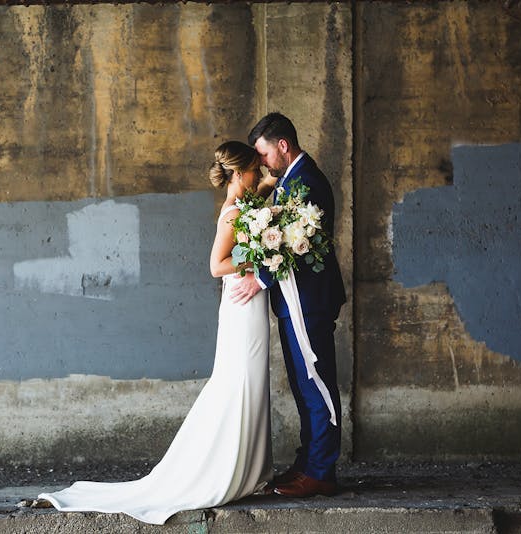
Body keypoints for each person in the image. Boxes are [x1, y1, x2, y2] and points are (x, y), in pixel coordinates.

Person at [37, 141, 273, 525]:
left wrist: (268, 194)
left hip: (249, 300)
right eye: (253, 171)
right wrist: (264, 256)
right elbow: (216, 265)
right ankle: (221, 469)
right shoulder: (232, 214)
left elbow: (259, 206)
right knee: (239, 380)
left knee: (252, 379)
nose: (258, 174)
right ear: (238, 173)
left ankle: (249, 466)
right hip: (242, 301)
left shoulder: (247, 205)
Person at [231, 112, 346, 498]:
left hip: (309, 302)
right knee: (302, 385)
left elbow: (300, 242)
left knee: (317, 383)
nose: (261, 162)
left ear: (282, 146)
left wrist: (259, 279)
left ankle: (321, 472)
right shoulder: (288, 181)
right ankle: (307, 462)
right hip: (294, 302)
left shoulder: (307, 181)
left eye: (263, 154)